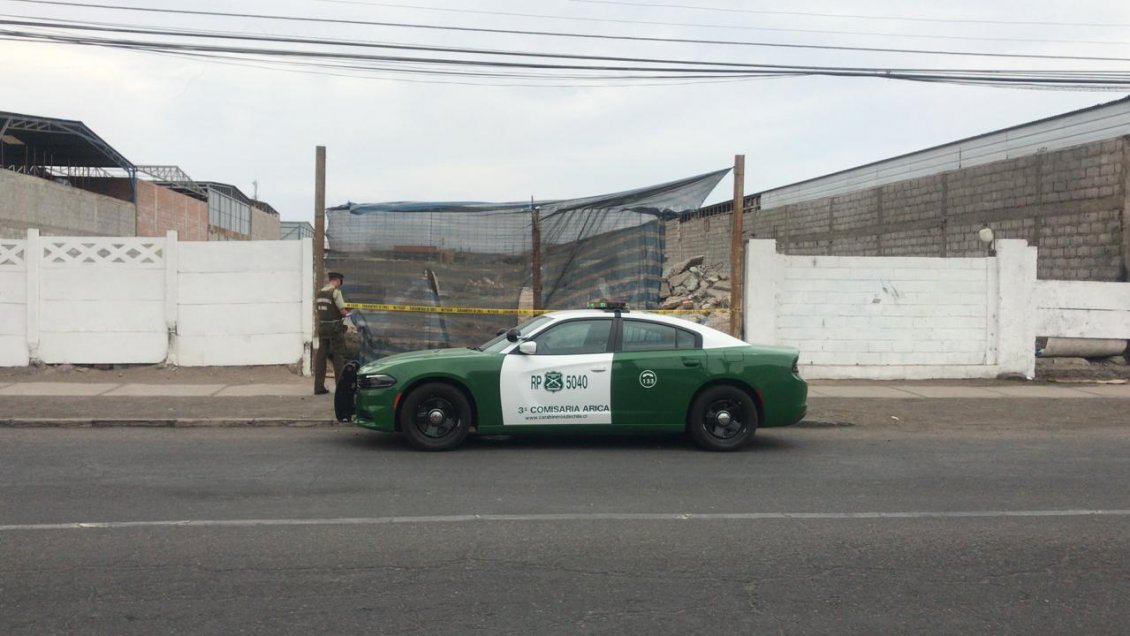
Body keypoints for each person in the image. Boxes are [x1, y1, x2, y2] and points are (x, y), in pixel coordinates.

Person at [314, 272, 349, 395]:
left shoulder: (320, 292)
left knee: (321, 357)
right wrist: (349, 314)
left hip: (323, 327)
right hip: (334, 329)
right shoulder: (335, 292)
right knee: (338, 356)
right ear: (338, 280)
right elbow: (343, 312)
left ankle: (318, 387)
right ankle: (340, 388)